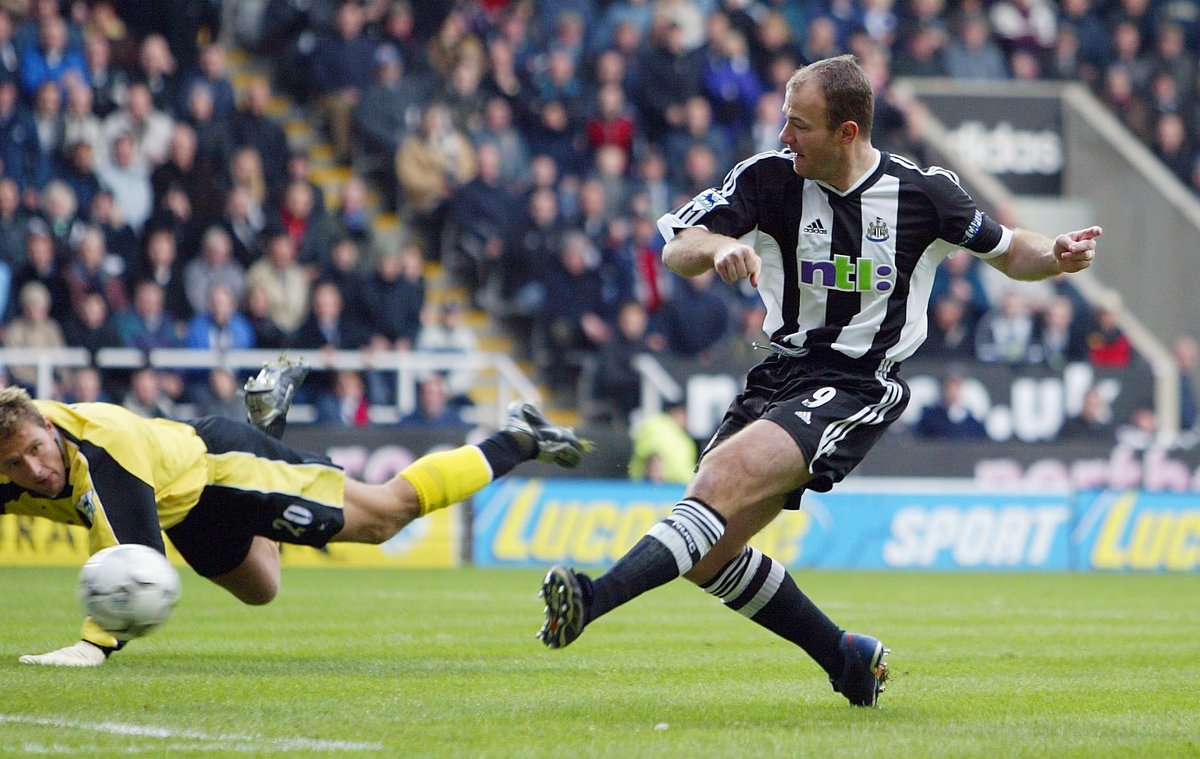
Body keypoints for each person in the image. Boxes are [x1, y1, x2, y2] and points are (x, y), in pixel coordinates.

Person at [536, 54, 1102, 708]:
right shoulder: (770, 179)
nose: (783, 136)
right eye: (783, 119)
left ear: (847, 133)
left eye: (798, 125)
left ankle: (589, 598)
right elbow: (678, 244)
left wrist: (1055, 257)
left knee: (717, 483)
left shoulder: (923, 195)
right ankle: (845, 658)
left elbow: (1008, 250)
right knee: (707, 553)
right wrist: (719, 247)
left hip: (859, 383)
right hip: (778, 372)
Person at [7, 356, 590, 667]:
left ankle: (517, 437)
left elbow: (134, 561)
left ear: (49, 424)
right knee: (263, 588)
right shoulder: (13, 464)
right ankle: (272, 421)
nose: (32, 471)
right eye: (14, 465)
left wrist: (93, 644)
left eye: (35, 449)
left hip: (225, 467)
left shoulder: (104, 445)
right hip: (184, 506)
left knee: (385, 515)